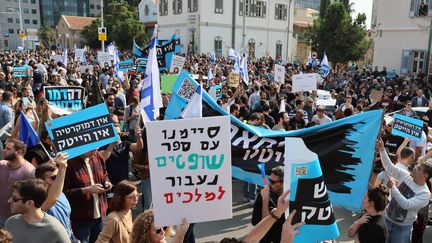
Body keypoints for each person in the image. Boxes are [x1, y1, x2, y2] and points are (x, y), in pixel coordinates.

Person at [377, 138, 431, 243]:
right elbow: (389, 167)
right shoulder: (406, 174)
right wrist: (382, 149)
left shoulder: (425, 194)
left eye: (418, 169)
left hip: (402, 230)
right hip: (386, 219)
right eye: (416, 166)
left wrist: (393, 187)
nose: (414, 168)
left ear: (425, 176)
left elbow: (406, 204)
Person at [64, 147, 115, 243]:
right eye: (92, 149)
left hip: (101, 214)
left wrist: (107, 182)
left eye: (97, 148)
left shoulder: (98, 156)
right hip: (81, 218)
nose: (95, 152)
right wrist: (87, 190)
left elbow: (104, 175)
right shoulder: (69, 163)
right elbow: (64, 193)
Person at [4, 179, 70, 243]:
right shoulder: (10, 223)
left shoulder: (54, 228)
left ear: (30, 203)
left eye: (15, 198)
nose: (9, 201)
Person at [35, 153, 74, 240]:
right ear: (41, 181)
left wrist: (73, 237)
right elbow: (53, 197)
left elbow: (67, 218)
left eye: (58, 176)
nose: (58, 180)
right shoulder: (39, 200)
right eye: (53, 178)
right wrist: (63, 168)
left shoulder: (62, 194)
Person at [0, 139, 35, 228]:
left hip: (15, 220)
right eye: (4, 148)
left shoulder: (30, 171)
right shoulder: (2, 165)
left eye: (8, 148)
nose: (4, 150)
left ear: (18, 152)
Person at [252, 166, 285, 243]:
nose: (269, 184)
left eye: (273, 182)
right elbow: (259, 224)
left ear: (284, 182)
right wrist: (265, 199)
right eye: (269, 180)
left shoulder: (291, 198)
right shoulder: (264, 195)